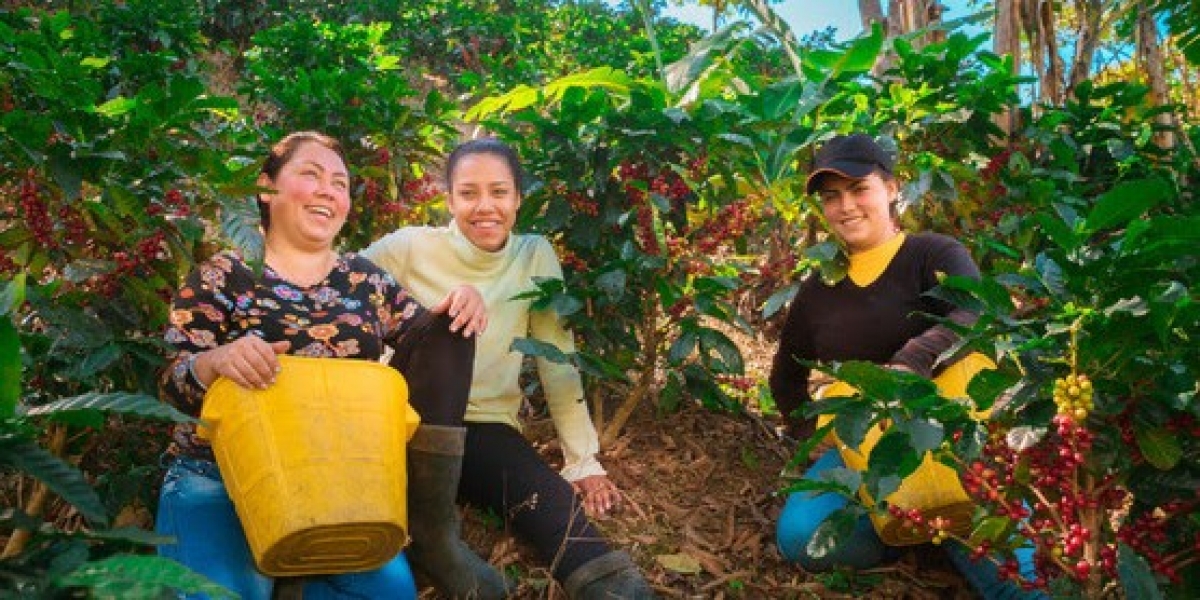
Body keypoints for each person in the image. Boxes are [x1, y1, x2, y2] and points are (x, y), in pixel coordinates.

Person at [155, 131, 508, 599]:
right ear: (266, 188)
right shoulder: (223, 274)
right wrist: (217, 361)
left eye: (340, 183)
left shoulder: (364, 280)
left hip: (335, 483)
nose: (328, 190)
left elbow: (429, 348)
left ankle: (429, 534)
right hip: (221, 478)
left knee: (391, 594)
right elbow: (169, 383)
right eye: (311, 175)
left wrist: (461, 301)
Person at [362, 138, 658, 599]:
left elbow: (554, 355)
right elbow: (337, 297)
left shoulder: (533, 254)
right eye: (469, 193)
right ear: (449, 200)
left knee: (552, 506)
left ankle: (620, 591)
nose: (485, 207)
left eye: (499, 192)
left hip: (482, 429)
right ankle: (427, 540)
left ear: (518, 198)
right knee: (450, 322)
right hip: (397, 422)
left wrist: (582, 459)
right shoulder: (408, 247)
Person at [768, 133, 1045, 599]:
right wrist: (806, 434)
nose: (846, 206)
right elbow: (785, 376)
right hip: (867, 449)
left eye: (860, 189)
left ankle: (947, 532)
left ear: (892, 189)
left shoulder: (931, 253)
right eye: (831, 196)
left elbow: (973, 309)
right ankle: (908, 534)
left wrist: (912, 360)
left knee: (1019, 584)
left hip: (949, 436)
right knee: (801, 539)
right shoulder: (817, 290)